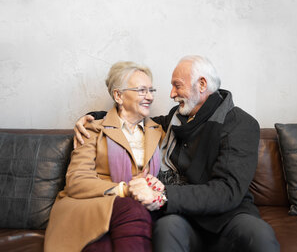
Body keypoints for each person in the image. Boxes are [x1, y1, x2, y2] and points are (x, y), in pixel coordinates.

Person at [75, 55, 280, 252]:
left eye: (177, 85)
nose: (171, 94)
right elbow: (134, 118)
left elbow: (227, 191)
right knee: (167, 228)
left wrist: (162, 195)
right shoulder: (176, 118)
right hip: (183, 216)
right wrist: (95, 118)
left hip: (227, 217)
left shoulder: (240, 124)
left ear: (201, 85)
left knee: (259, 235)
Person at [44, 61, 165, 252]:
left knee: (104, 246)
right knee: (131, 209)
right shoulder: (92, 130)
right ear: (118, 95)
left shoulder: (159, 132)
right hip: (92, 205)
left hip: (139, 208)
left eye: (151, 90)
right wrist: (124, 190)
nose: (149, 97)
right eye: (142, 90)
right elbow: (77, 180)